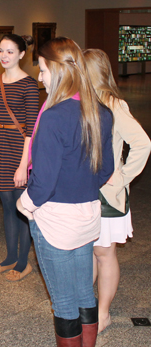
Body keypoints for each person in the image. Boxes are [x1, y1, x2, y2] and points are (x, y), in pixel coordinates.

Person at [17, 37, 114, 346]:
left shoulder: (53, 116)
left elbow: (43, 182)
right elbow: (105, 169)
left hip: (55, 221)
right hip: (88, 216)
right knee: (85, 291)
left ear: (58, 71)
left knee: (64, 301)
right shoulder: (99, 111)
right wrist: (81, 185)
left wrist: (25, 203)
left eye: (43, 70)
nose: (40, 77)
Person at [83, 48, 151, 333]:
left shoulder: (113, 104)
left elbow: (143, 143)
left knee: (103, 252)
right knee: (90, 251)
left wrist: (121, 177)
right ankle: (87, 306)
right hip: (85, 190)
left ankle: (103, 312)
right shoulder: (83, 101)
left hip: (107, 196)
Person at [0, 34, 38, 282]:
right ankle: (9, 257)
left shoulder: (29, 84)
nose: (4, 56)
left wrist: (23, 165)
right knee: (6, 207)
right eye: (1, 51)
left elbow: (32, 129)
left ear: (22, 54)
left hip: (19, 148)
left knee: (22, 208)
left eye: (10, 52)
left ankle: (24, 262)